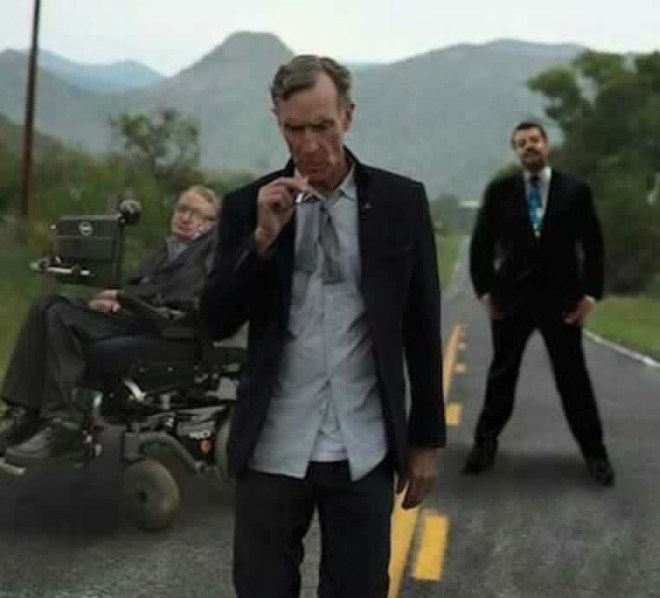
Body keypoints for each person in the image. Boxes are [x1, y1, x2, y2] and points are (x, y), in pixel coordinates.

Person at [203, 55, 445, 597]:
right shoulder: (248, 206)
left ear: (348, 117)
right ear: (277, 122)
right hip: (272, 446)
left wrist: (426, 440)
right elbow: (216, 320)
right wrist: (262, 241)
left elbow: (422, 325)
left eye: (322, 126)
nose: (310, 144)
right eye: (295, 129)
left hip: (364, 447)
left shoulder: (401, 203)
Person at [0, 185, 220, 465]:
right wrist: (112, 298)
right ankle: (23, 413)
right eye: (182, 209)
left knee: (61, 318)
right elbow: (137, 286)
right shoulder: (168, 249)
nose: (186, 217)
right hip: (137, 317)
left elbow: (182, 298)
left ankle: (65, 423)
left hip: (166, 329)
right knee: (45, 306)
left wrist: (124, 299)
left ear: (211, 224)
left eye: (196, 213)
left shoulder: (208, 254)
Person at [465, 121, 614, 486]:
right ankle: (484, 445)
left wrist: (590, 294)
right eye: (521, 143)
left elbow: (593, 245)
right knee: (502, 376)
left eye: (534, 140)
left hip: (561, 301)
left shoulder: (575, 191)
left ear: (546, 144)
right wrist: (485, 292)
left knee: (573, 379)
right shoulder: (500, 191)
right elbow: (481, 244)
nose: (528, 146)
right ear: (516, 151)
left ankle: (595, 454)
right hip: (511, 300)